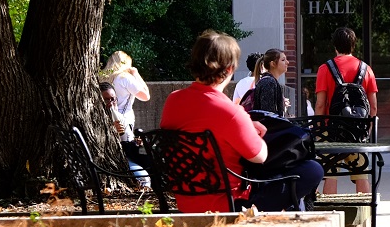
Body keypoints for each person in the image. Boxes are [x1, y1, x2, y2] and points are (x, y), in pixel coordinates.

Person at [159, 30, 322, 213]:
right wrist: (250, 129)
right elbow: (260, 156)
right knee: (312, 170)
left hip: (186, 200)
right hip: (230, 204)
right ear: (229, 69)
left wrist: (244, 125)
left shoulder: (173, 101)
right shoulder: (231, 112)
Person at [314, 27, 377, 194]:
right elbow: (373, 106)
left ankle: (331, 213)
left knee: (330, 173)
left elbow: (320, 104)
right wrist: (366, 129)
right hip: (356, 131)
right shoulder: (366, 69)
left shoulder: (324, 68)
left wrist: (319, 130)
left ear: (335, 45)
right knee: (362, 174)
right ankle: (365, 216)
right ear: (353, 45)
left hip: (332, 130)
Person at [98, 51, 152, 189]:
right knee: (129, 150)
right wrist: (136, 73)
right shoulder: (125, 77)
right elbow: (145, 95)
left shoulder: (103, 78)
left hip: (106, 121)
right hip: (123, 122)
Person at [250, 48, 291, 117]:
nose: (287, 62)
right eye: (283, 60)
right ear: (273, 64)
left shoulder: (269, 81)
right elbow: (268, 115)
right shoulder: (269, 83)